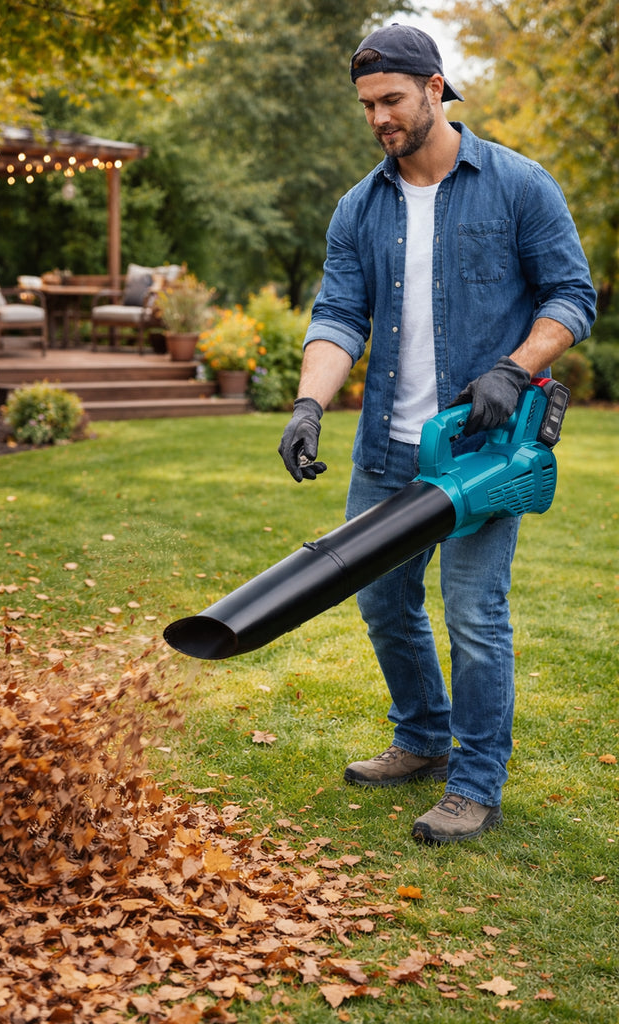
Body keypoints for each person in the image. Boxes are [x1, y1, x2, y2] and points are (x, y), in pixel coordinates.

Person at [278, 24, 596, 844]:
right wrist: (310, 405)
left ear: (434, 86)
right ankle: (421, 736)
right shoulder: (361, 206)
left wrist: (514, 368)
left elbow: (572, 296)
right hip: (389, 445)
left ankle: (476, 781)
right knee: (383, 601)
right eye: (367, 106)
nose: (379, 118)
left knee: (474, 611)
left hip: (480, 450)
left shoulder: (518, 185)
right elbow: (339, 315)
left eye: (391, 99)